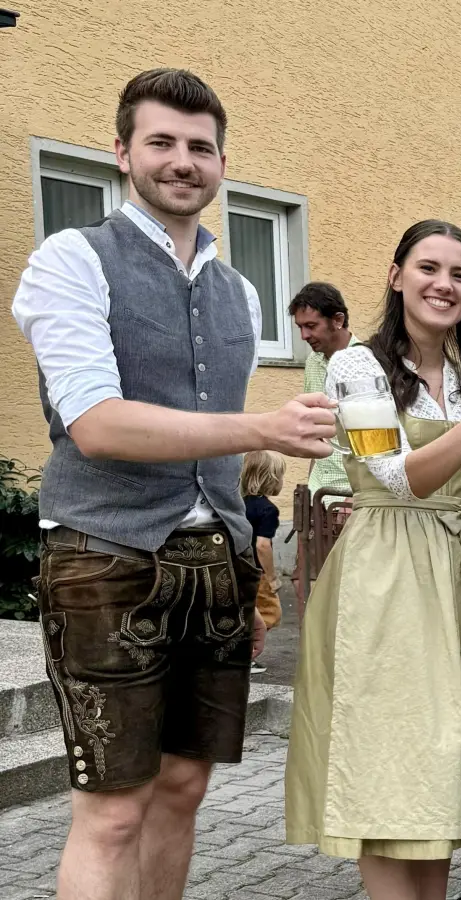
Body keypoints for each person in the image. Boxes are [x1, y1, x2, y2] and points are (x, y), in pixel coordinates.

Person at [11, 68, 337, 900]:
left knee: (185, 788)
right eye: (160, 141)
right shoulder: (71, 260)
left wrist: (247, 571)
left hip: (215, 560)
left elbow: (209, 448)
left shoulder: (239, 292)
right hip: (105, 555)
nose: (182, 160)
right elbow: (97, 424)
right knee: (112, 810)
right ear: (123, 153)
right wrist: (263, 429)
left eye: (200, 146)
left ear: (222, 162)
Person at [284, 220, 461, 900]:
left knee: (438, 760)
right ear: (397, 277)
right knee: (387, 752)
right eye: (429, 268)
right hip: (387, 575)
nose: (444, 285)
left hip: (456, 572)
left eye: (460, 274)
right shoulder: (356, 367)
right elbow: (399, 479)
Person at [292, 281, 358, 505]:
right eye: (300, 327)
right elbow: (316, 432)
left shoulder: (368, 362)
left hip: (352, 498)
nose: (304, 335)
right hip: (318, 494)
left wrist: (360, 497)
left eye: (311, 326)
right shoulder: (313, 361)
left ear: (338, 320)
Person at [241, 450, 286, 674]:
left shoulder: (238, 504)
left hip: (236, 565)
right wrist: (271, 576)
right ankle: (245, 654)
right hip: (256, 571)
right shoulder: (268, 510)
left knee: (243, 609)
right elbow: (262, 546)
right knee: (269, 612)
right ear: (272, 478)